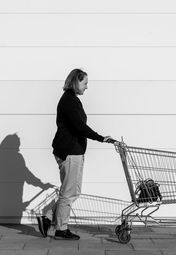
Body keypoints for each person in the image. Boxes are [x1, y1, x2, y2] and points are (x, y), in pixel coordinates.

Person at [37, 68, 115, 240]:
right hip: (70, 152)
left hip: (73, 151)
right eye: (85, 83)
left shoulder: (71, 100)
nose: (87, 87)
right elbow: (80, 127)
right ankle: (61, 229)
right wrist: (101, 138)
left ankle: (48, 217)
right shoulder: (69, 101)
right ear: (75, 81)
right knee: (69, 192)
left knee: (74, 191)